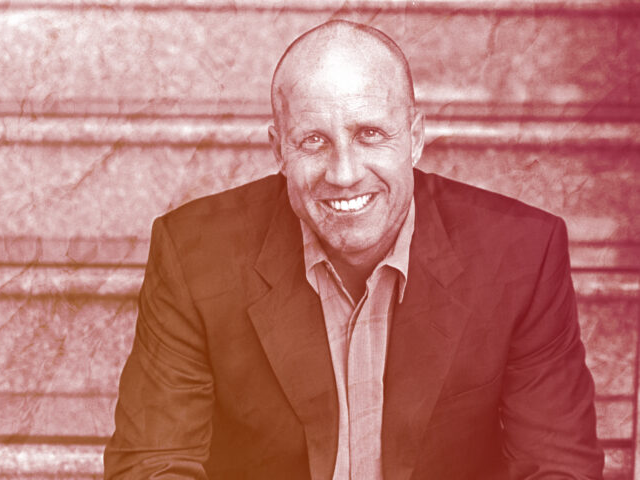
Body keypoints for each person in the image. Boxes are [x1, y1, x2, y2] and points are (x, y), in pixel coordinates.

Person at [104, 20, 604, 479]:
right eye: (313, 141)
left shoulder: (519, 254)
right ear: (279, 150)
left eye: (369, 134)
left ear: (414, 138)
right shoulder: (195, 254)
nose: (344, 174)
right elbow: (152, 463)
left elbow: (558, 465)